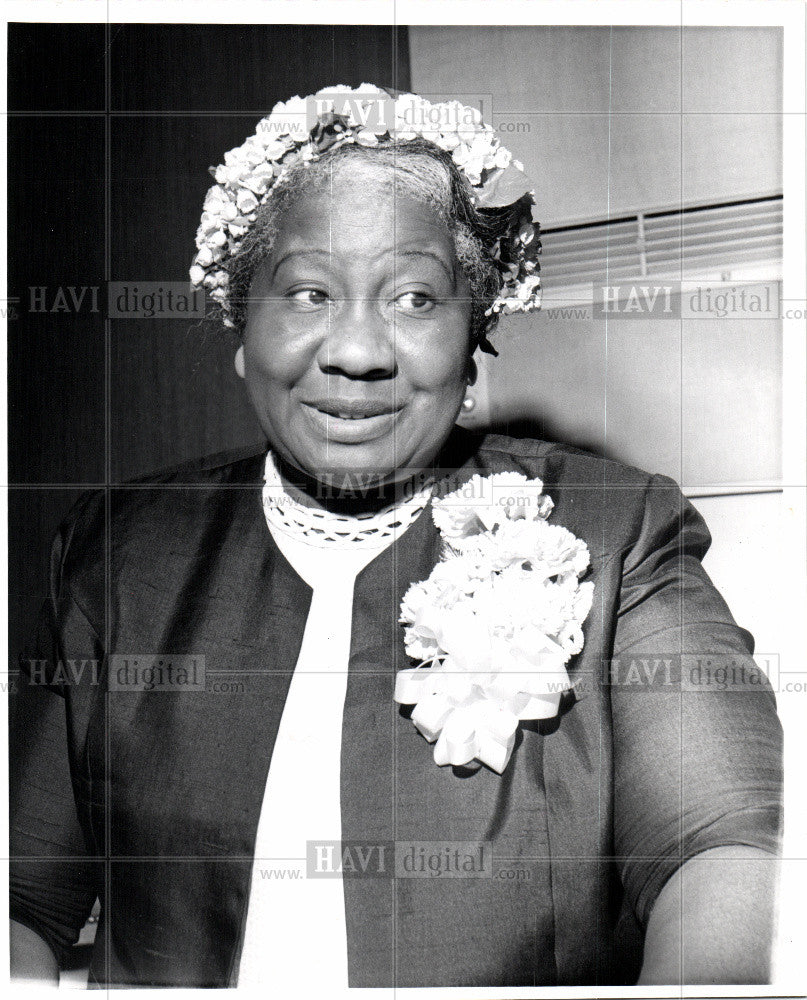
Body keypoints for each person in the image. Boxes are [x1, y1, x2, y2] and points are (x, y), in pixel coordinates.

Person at [10, 85, 783, 990]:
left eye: (415, 299)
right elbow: (24, 897)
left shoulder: (615, 530)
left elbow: (725, 848)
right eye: (307, 294)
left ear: (472, 345)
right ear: (240, 326)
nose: (359, 349)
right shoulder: (122, 551)